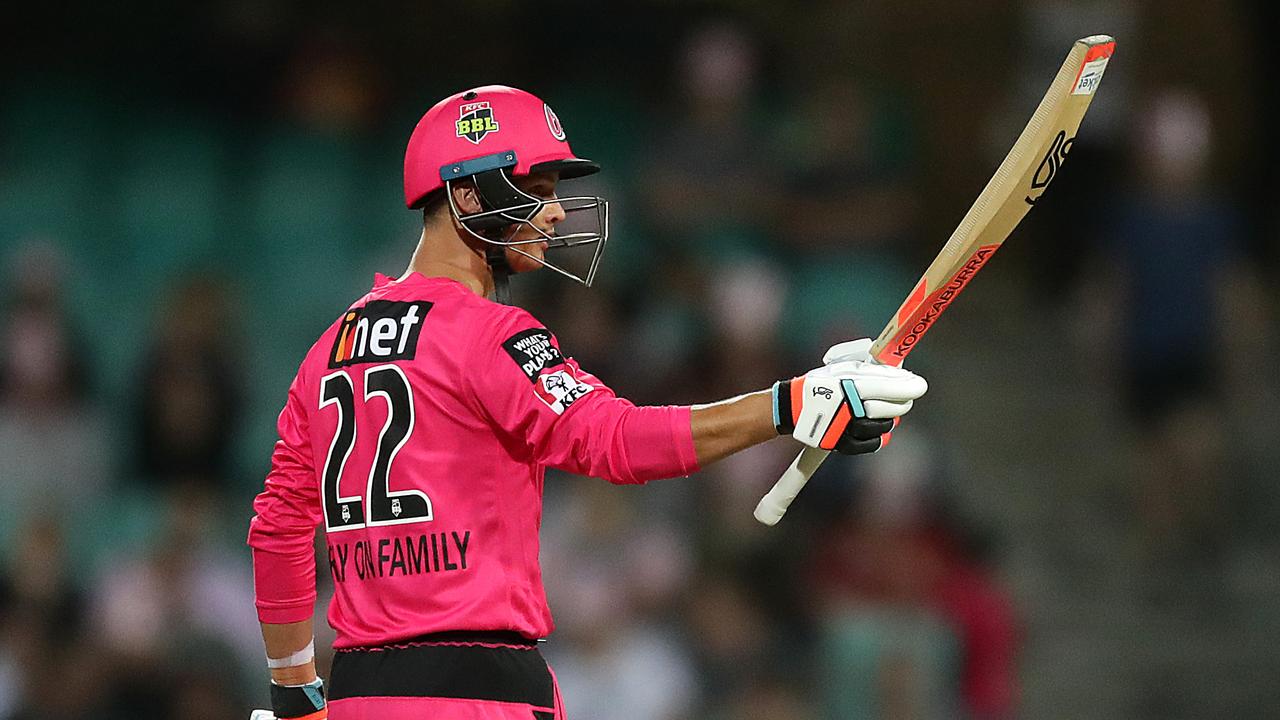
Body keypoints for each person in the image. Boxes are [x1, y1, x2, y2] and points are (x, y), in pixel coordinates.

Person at [246, 85, 928, 720]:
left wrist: (295, 692)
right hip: (483, 690)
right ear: (467, 197)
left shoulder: (326, 350)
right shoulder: (490, 333)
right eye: (533, 189)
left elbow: (279, 528)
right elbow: (617, 441)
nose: (553, 211)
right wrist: (789, 403)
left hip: (361, 696)